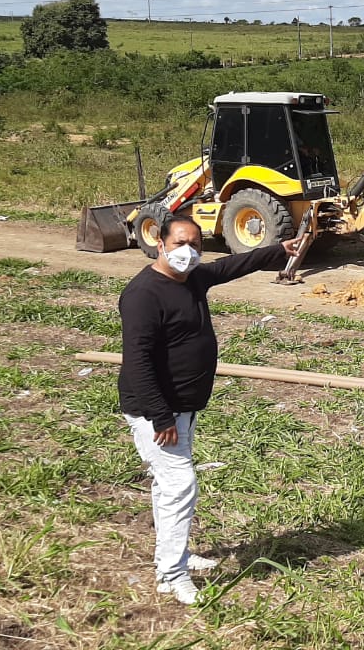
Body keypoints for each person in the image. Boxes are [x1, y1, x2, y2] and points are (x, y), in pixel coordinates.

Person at [118, 216, 301, 605]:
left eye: (196, 244)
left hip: (183, 407)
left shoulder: (194, 279)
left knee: (168, 487)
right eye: (181, 243)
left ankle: (176, 554)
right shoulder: (143, 295)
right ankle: (171, 575)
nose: (189, 252)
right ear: (160, 244)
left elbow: (228, 267)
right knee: (179, 486)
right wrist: (160, 416)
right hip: (158, 413)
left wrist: (276, 251)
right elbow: (137, 362)